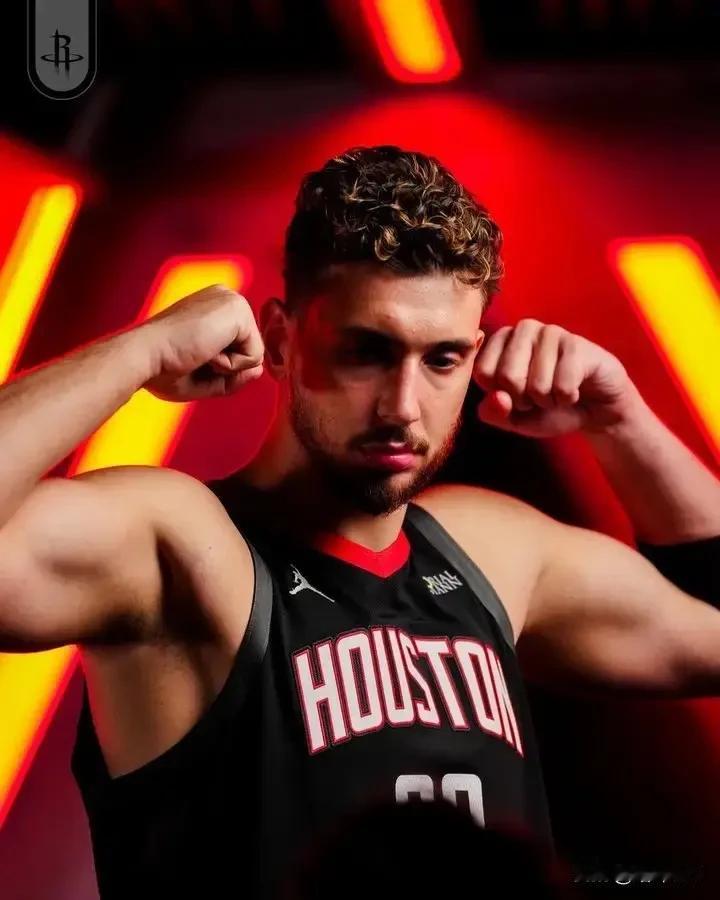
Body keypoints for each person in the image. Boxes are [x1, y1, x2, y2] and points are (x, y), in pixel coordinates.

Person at [0, 145, 718, 898]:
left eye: (442, 360)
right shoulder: (183, 548)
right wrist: (140, 348)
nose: (403, 406)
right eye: (367, 352)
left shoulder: (493, 553)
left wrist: (622, 421)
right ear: (282, 340)